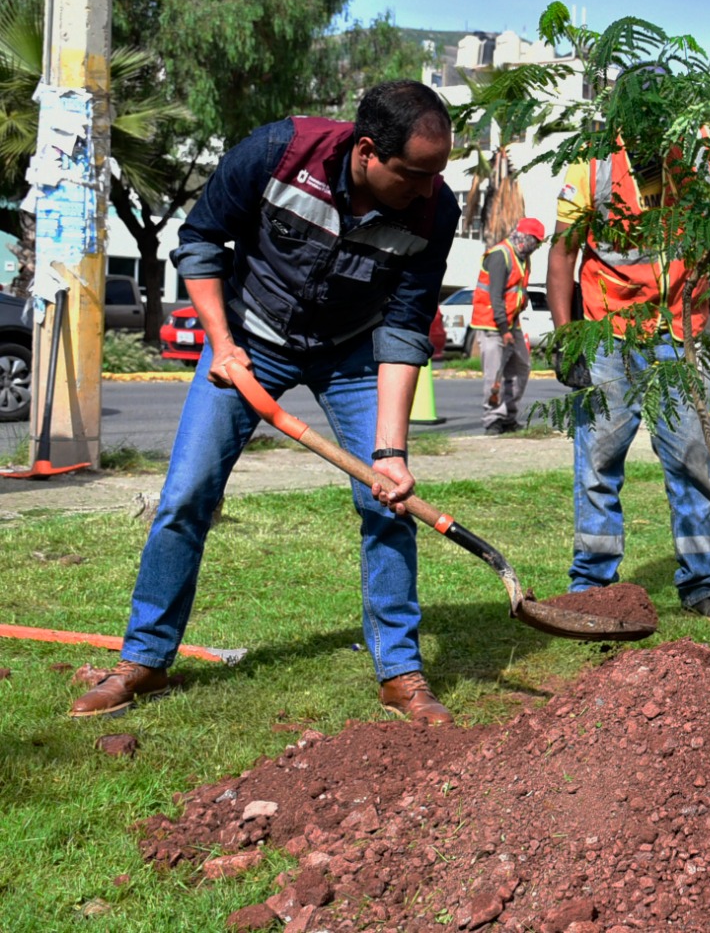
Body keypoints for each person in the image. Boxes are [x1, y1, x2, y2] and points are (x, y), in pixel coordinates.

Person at [70, 81, 460, 724]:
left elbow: (406, 323)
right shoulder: (280, 151)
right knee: (187, 494)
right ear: (367, 152)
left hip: (353, 351)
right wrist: (222, 345)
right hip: (248, 341)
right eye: (416, 174)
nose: (428, 190)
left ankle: (401, 673)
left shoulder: (433, 210)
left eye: (437, 175)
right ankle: (144, 661)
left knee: (388, 501)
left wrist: (390, 451)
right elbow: (200, 243)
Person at [545, 132, 710, 625]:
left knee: (692, 458)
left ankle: (703, 586)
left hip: (678, 334)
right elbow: (563, 254)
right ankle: (591, 587)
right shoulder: (591, 166)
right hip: (608, 332)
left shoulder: (705, 154)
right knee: (598, 461)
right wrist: (567, 337)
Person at [471, 216, 546, 435]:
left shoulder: (522, 257)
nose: (536, 246)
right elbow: (496, 297)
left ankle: (509, 416)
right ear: (524, 237)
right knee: (494, 375)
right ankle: (493, 419)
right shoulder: (500, 255)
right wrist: (504, 330)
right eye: (535, 241)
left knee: (521, 367)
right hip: (492, 325)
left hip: (512, 324)